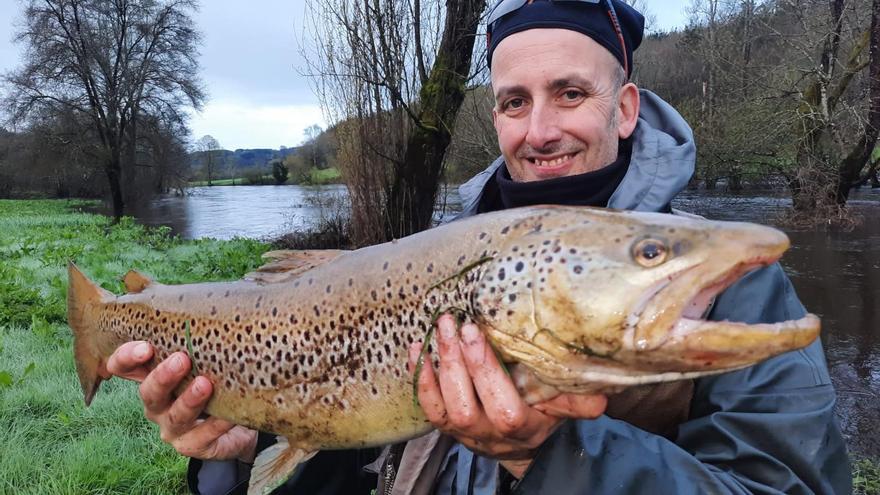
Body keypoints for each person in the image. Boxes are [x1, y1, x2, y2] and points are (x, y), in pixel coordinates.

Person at [105, 0, 851, 493]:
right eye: (514, 101)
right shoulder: (429, 263)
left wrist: (548, 456)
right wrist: (232, 454)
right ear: (494, 117)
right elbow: (339, 465)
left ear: (625, 108)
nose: (541, 129)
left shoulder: (733, 294)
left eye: (570, 92)